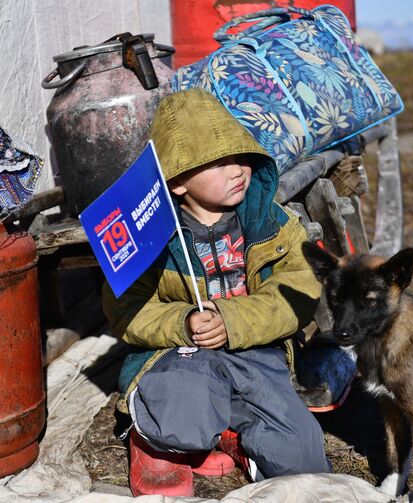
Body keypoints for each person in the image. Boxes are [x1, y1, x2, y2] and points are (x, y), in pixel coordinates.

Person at [102, 88, 331, 497]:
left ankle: (234, 430)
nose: (237, 171)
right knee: (180, 419)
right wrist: (184, 323)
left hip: (255, 348)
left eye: (241, 157)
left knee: (304, 462)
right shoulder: (149, 232)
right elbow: (127, 310)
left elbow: (301, 285)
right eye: (219, 163)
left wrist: (233, 320)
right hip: (182, 355)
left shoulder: (269, 221)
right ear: (177, 183)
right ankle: (155, 437)